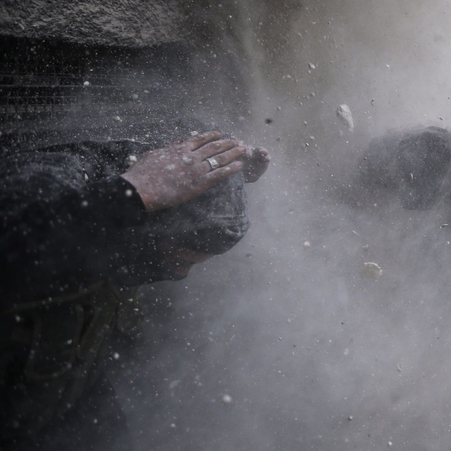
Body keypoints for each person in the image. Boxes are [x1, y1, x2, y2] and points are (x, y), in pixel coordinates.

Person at [0, 131, 270, 449]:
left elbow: (73, 380)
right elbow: (17, 253)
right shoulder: (47, 189)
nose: (179, 274)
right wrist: (130, 193)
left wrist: (224, 174)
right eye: (177, 258)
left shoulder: (110, 220)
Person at [355, 125, 451, 263]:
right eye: (415, 183)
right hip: (394, 183)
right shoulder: (383, 157)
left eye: (428, 183)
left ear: (450, 167)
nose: (421, 188)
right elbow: (357, 190)